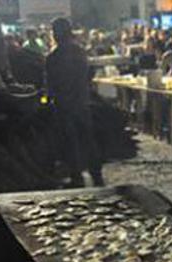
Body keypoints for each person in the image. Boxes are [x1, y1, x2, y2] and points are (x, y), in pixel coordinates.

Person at [46, 17, 102, 187]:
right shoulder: (79, 52)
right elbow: (84, 77)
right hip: (81, 103)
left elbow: (51, 84)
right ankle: (95, 174)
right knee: (87, 139)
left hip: (64, 105)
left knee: (71, 142)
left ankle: (77, 175)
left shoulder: (53, 58)